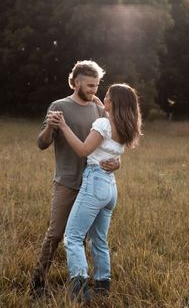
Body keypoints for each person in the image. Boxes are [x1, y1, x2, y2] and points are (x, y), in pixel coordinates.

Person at [31, 60, 120, 296]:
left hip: (94, 183)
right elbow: (41, 143)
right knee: (56, 233)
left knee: (87, 238)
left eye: (97, 86)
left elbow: (111, 143)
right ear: (76, 82)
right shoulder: (59, 106)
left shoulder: (99, 109)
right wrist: (50, 127)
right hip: (67, 181)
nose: (94, 90)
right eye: (90, 85)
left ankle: (86, 283)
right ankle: (38, 282)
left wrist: (117, 163)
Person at [52, 83, 142, 304]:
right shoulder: (124, 125)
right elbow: (106, 111)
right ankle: (103, 285)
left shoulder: (103, 123)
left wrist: (63, 125)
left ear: (113, 102)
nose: (103, 97)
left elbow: (83, 150)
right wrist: (97, 101)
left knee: (72, 237)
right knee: (99, 241)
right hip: (110, 188)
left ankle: (80, 290)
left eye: (107, 96)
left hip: (94, 183)